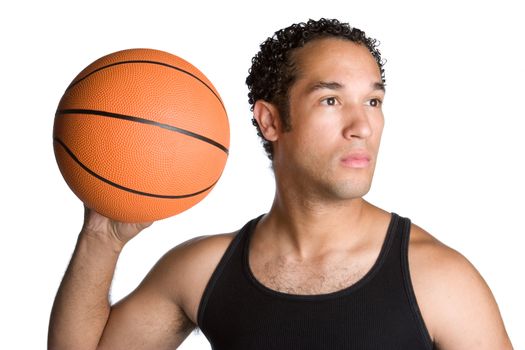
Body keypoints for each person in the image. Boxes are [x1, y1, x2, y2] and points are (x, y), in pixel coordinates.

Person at [48, 18, 513, 350]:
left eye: (373, 101)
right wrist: (102, 235)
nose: (363, 126)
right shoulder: (204, 271)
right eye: (331, 99)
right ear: (270, 120)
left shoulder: (439, 279)